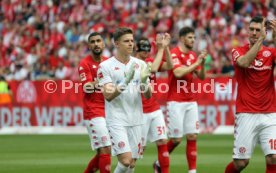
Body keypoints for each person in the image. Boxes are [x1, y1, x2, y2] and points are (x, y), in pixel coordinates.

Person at [225, 16, 276, 173]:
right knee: (241, 163)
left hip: (270, 113)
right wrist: (261, 40)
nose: (254, 33)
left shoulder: (271, 53)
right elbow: (244, 63)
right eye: (252, 29)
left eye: (258, 30)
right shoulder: (238, 51)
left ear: (264, 31)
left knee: (273, 157)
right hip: (246, 113)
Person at [97, 27, 152, 173]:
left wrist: (144, 82)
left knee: (132, 164)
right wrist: (124, 82)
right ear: (116, 44)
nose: (131, 44)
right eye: (126, 41)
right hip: (116, 120)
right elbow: (108, 96)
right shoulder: (105, 66)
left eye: (132, 41)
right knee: (125, 161)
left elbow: (148, 95)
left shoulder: (140, 64)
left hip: (136, 119)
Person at [157, 27, 207, 173]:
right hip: (176, 101)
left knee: (192, 135)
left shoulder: (192, 55)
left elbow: (202, 77)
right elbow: (178, 73)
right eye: (190, 37)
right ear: (182, 38)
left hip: (191, 100)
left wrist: (201, 63)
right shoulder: (173, 54)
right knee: (176, 139)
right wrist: (197, 63)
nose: (193, 40)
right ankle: (159, 163)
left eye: (194, 38)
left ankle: (192, 171)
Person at [135, 34, 173, 173]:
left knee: (162, 141)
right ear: (136, 49)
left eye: (147, 48)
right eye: (143, 48)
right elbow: (154, 69)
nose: (146, 50)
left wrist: (166, 47)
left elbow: (170, 65)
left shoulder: (151, 60)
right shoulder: (135, 63)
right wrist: (161, 49)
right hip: (140, 111)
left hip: (154, 108)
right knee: (138, 151)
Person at [78, 32, 111, 173]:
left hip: (109, 110)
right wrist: (102, 80)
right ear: (89, 45)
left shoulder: (109, 62)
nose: (96, 44)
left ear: (103, 44)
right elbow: (86, 86)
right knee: (106, 149)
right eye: (93, 42)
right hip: (93, 111)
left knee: (102, 152)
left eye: (99, 41)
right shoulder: (84, 63)